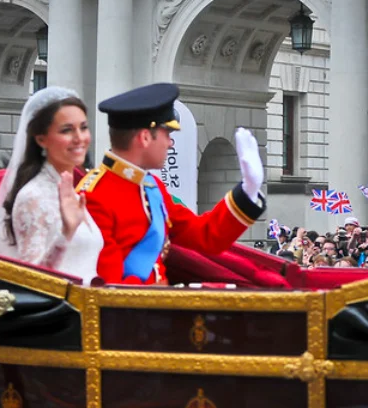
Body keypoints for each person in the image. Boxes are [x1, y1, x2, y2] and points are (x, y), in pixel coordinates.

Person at [80, 83, 265, 285]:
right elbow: (110, 290)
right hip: (139, 304)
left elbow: (205, 235)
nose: (170, 143)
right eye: (167, 134)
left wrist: (248, 191)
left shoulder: (151, 187)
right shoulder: (93, 197)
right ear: (145, 137)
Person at [0, 86, 103, 283]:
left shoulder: (69, 191)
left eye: (83, 127)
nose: (79, 138)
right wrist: (65, 235)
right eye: (67, 130)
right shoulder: (33, 196)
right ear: (41, 139)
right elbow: (33, 279)